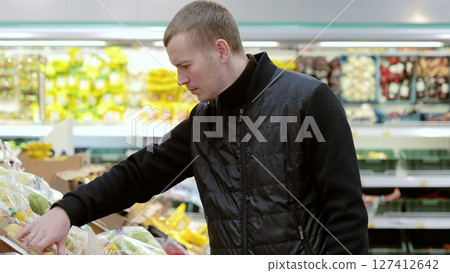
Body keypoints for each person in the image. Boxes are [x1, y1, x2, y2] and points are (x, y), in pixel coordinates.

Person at [17, 0, 368, 255]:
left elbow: (346, 214)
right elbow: (139, 174)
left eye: (185, 66)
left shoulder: (310, 100)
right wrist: (68, 210)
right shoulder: (205, 120)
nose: (181, 80)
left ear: (220, 50)